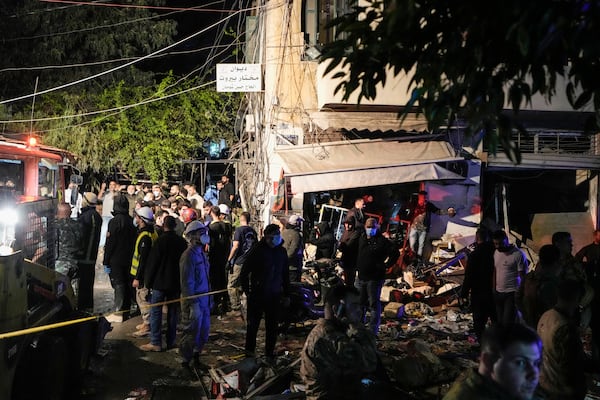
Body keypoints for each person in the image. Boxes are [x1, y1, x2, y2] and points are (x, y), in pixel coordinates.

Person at [300, 284, 390, 399]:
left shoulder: (332, 330)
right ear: (337, 309)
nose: (359, 311)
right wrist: (357, 327)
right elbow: (370, 363)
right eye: (354, 306)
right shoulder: (329, 337)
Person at [443, 323, 542, 400]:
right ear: (488, 361)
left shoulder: (504, 390)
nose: (534, 374)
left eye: (536, 363)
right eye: (521, 363)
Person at [240, 223, 290, 359]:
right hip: (257, 295)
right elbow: (244, 272)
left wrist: (287, 294)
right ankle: (249, 355)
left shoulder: (281, 252)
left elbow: (285, 275)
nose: (277, 238)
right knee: (252, 327)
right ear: (267, 237)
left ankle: (269, 354)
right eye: (274, 236)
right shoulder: (257, 250)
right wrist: (247, 291)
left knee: (272, 328)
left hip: (274, 295)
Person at [140, 216, 188, 352]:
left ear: (164, 226)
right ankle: (171, 341)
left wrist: (147, 283)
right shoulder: (181, 242)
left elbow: (153, 263)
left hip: (159, 283)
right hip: (175, 282)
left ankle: (156, 342)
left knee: (156, 312)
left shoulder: (160, 241)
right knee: (173, 313)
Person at [537, 278, 587, 400]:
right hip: (562, 391)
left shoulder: (546, 316)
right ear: (576, 299)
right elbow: (572, 366)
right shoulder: (565, 327)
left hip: (545, 382)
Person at [178, 220, 212, 372]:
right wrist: (192, 303)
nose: (204, 235)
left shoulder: (202, 254)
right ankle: (185, 362)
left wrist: (210, 298)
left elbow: (206, 277)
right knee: (190, 332)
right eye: (201, 233)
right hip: (194, 300)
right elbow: (187, 282)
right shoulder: (188, 256)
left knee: (203, 331)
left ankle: (196, 358)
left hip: (204, 298)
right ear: (193, 236)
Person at [356, 217, 398, 335]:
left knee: (373, 304)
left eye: (372, 227)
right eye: (368, 227)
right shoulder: (362, 238)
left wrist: (386, 265)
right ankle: (359, 327)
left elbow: (395, 253)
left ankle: (372, 330)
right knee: (360, 303)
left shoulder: (382, 241)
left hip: (374, 278)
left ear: (377, 227)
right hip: (361, 277)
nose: (370, 229)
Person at [103, 194, 137, 323]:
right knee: (127, 285)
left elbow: (111, 242)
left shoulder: (114, 221)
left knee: (118, 285)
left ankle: (118, 312)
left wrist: (106, 261)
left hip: (116, 259)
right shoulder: (130, 221)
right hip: (129, 258)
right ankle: (126, 311)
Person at [461, 228, 497, 341]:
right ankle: (498, 345)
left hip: (479, 292)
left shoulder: (474, 255)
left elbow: (469, 276)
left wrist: (464, 293)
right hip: (495, 291)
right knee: (496, 320)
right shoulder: (496, 253)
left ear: (477, 238)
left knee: (479, 322)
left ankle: (484, 345)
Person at [518, 244, 561, 329]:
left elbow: (518, 297)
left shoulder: (528, 278)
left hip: (529, 324)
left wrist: (525, 316)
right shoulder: (552, 283)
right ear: (556, 262)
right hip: (546, 326)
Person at [130, 206, 158, 337]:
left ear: (141, 219)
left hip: (143, 275)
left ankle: (147, 324)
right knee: (142, 298)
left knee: (143, 299)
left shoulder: (145, 237)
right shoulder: (151, 233)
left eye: (137, 217)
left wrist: (137, 277)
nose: (135, 219)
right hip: (147, 273)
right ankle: (146, 322)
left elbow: (143, 259)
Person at [407, 190, 456, 263]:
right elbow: (406, 209)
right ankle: (414, 259)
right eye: (422, 197)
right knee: (413, 245)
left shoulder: (428, 205)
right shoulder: (414, 204)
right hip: (414, 227)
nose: (424, 199)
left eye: (425, 197)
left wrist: (447, 211)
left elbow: (438, 211)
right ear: (419, 197)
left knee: (421, 246)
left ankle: (418, 262)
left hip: (423, 229)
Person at [492, 230, 529, 324]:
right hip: (498, 292)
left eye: (500, 243)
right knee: (500, 321)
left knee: (507, 321)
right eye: (495, 244)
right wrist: (494, 288)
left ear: (506, 241)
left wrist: (519, 293)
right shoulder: (496, 252)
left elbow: (523, 276)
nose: (498, 246)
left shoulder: (518, 255)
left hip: (511, 293)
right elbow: (495, 270)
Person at [576, 229, 600, 370]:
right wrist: (586, 268)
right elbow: (577, 258)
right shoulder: (589, 249)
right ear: (595, 235)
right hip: (591, 288)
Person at [226, 211, 257, 315]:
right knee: (246, 285)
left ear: (241, 219)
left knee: (232, 285)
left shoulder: (239, 231)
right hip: (251, 262)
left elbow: (236, 246)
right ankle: (247, 307)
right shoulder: (253, 231)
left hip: (239, 262)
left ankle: (236, 308)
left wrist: (229, 259)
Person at [77, 192, 102, 311]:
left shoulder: (87, 217)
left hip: (84, 256)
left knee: (83, 283)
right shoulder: (96, 216)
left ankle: (83, 307)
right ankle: (88, 306)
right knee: (88, 282)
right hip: (91, 255)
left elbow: (81, 236)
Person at [208, 205, 232, 315]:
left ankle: (216, 304)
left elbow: (210, 244)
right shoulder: (226, 226)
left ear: (212, 213)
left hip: (215, 257)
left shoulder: (212, 228)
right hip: (225, 256)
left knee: (215, 281)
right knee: (224, 280)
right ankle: (225, 303)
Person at [55, 202, 81, 280]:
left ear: (57, 213)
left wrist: (32, 261)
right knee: (73, 290)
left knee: (60, 290)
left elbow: (44, 247)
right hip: (76, 264)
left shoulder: (54, 226)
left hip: (60, 265)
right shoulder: (79, 225)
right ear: (70, 212)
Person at [281, 214, 304, 282]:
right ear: (297, 223)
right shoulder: (296, 235)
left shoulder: (283, 232)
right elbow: (292, 251)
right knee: (293, 289)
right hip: (293, 268)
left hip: (282, 267)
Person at [338, 219, 361, 286]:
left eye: (349, 224)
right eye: (346, 224)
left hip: (351, 261)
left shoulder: (355, 234)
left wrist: (341, 246)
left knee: (349, 279)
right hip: (344, 259)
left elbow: (347, 246)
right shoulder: (345, 233)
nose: (347, 226)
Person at [98, 180, 118, 247]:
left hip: (113, 216)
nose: (111, 186)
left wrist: (116, 190)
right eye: (110, 184)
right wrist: (102, 189)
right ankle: (101, 245)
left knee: (112, 232)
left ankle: (110, 246)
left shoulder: (117, 194)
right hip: (105, 216)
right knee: (103, 231)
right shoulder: (106, 193)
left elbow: (115, 197)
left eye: (113, 185)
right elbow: (99, 198)